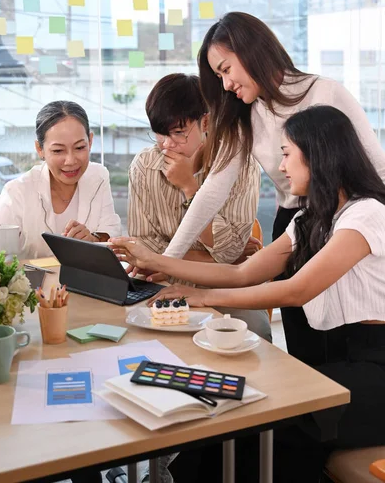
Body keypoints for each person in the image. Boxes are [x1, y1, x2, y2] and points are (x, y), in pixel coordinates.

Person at [112, 106, 385, 482]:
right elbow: (241, 273)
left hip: (377, 370)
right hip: (340, 363)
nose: (282, 165)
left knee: (261, 425)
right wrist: (157, 261)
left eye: (288, 153)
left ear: (318, 154)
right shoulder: (309, 220)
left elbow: (296, 290)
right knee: (226, 416)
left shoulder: (366, 214)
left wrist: (204, 298)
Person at [148, 12, 385, 363]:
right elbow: (214, 190)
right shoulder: (244, 112)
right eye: (218, 76)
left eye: (226, 69)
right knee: (304, 344)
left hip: (348, 221)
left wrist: (365, 224)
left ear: (252, 51)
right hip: (299, 219)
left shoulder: (325, 93)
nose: (225, 84)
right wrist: (169, 261)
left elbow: (376, 170)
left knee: (348, 337)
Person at [127, 72, 270, 341]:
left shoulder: (242, 166)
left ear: (206, 121)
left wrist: (191, 189)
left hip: (225, 288)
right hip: (163, 284)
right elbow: (144, 249)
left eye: (179, 133)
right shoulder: (145, 166)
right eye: (160, 134)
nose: (167, 144)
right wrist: (212, 260)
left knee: (255, 331)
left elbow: (229, 253)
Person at [0, 100, 121, 259]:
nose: (70, 161)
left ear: (90, 141)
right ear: (39, 149)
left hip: (83, 282)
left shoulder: (98, 176)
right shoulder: (17, 191)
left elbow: (111, 232)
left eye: (79, 148)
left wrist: (93, 239)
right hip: (30, 283)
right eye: (58, 150)